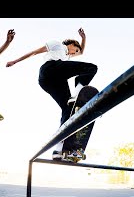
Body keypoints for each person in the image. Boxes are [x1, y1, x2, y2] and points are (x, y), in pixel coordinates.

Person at [6, 28, 97, 160]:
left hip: (52, 81)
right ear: (71, 45)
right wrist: (15, 61)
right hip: (51, 69)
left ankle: (59, 149)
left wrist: (83, 38)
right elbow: (34, 52)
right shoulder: (57, 44)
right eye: (75, 50)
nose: (75, 53)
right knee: (91, 68)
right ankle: (77, 94)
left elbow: (81, 51)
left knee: (68, 109)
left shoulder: (67, 56)